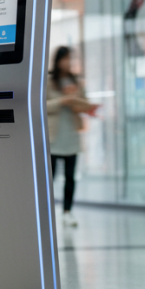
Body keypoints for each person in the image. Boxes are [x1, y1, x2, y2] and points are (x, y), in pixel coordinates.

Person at [46, 46, 97, 228]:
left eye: (70, 58)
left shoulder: (75, 81)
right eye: (65, 58)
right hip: (53, 137)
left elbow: (84, 105)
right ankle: (45, 212)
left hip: (71, 136)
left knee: (70, 177)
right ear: (58, 60)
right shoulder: (48, 81)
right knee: (48, 178)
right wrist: (62, 100)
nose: (68, 62)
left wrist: (82, 103)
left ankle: (67, 212)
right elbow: (42, 106)